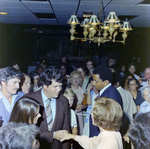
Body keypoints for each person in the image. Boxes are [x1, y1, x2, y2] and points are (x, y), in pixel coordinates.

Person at [23, 68, 71, 149]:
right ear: (44, 85)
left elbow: (66, 130)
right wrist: (53, 135)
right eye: (55, 86)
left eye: (60, 86)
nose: (59, 89)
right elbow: (25, 130)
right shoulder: (29, 100)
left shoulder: (63, 101)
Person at [89, 65, 123, 137]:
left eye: (96, 81)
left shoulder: (111, 95)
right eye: (93, 80)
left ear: (106, 82)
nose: (93, 83)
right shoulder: (106, 92)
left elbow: (109, 122)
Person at [69, 71, 86, 135]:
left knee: (80, 132)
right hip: (71, 114)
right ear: (71, 80)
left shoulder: (83, 90)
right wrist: (74, 107)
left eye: (78, 78)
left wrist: (83, 106)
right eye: (74, 78)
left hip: (80, 115)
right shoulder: (68, 90)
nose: (76, 80)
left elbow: (86, 103)